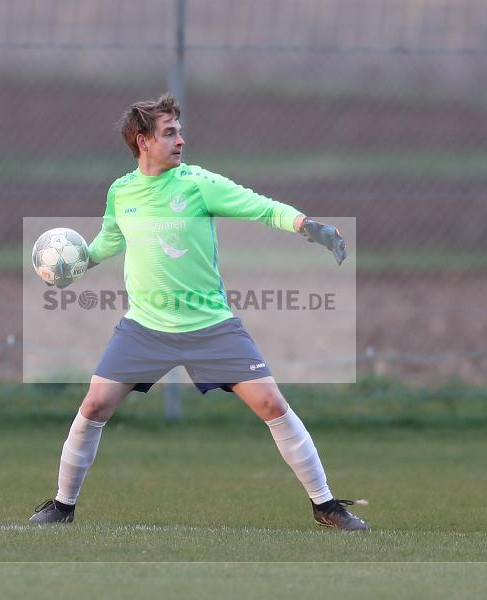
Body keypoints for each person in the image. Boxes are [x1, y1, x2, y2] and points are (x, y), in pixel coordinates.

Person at [30, 93, 367, 531]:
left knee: (271, 404)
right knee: (94, 406)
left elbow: (259, 206)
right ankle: (62, 506)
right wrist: (75, 265)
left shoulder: (197, 183)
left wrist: (307, 226)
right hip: (145, 328)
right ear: (142, 140)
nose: (180, 140)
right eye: (169, 133)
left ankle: (326, 506)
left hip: (211, 327)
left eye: (179, 131)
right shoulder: (121, 192)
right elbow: (109, 241)